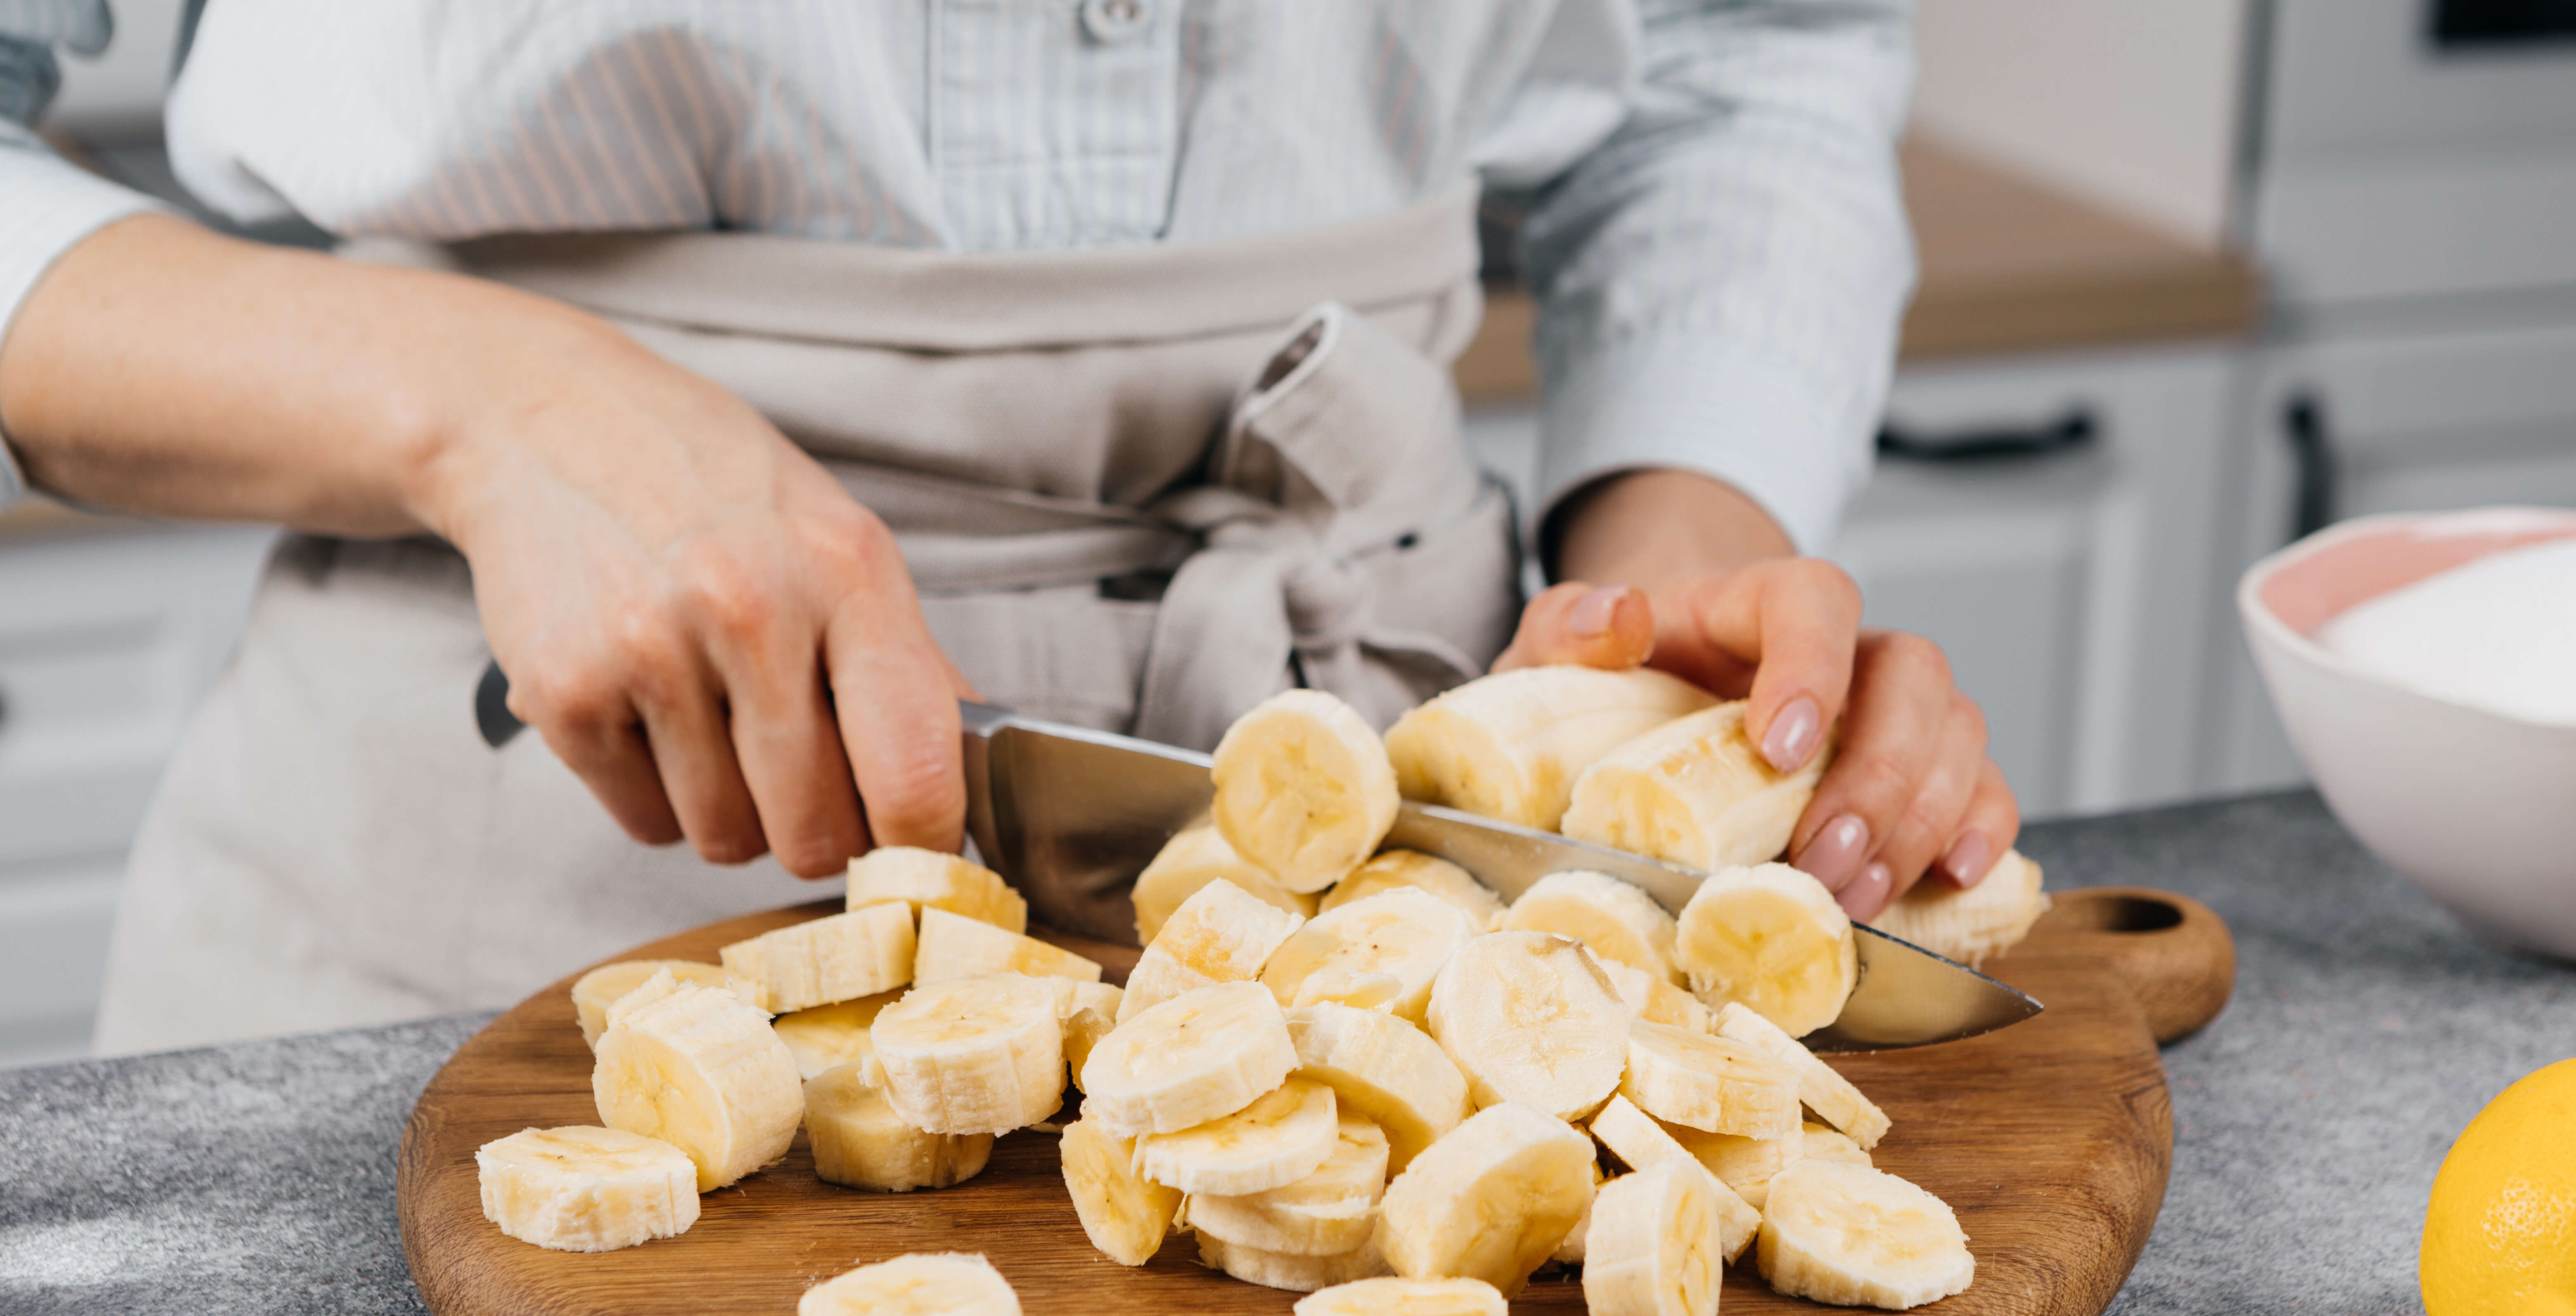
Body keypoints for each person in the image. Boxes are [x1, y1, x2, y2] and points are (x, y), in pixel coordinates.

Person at [0, 0, 2016, 1054]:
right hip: (485, 848)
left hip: (1413, 794)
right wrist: (482, 408)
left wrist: (1657, 596)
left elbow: (1741, 52)